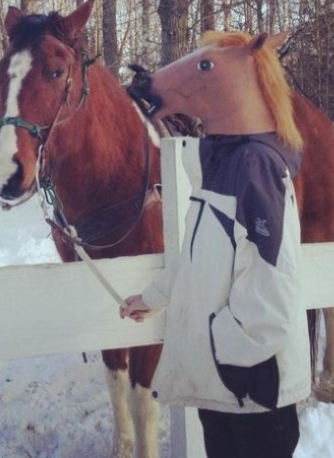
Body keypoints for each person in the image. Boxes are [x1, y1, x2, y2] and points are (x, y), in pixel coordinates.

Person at [121, 131, 310, 458]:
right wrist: (153, 298)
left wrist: (228, 356)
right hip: (220, 386)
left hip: (251, 394)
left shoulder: (254, 164)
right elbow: (197, 261)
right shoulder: (213, 167)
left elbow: (272, 289)